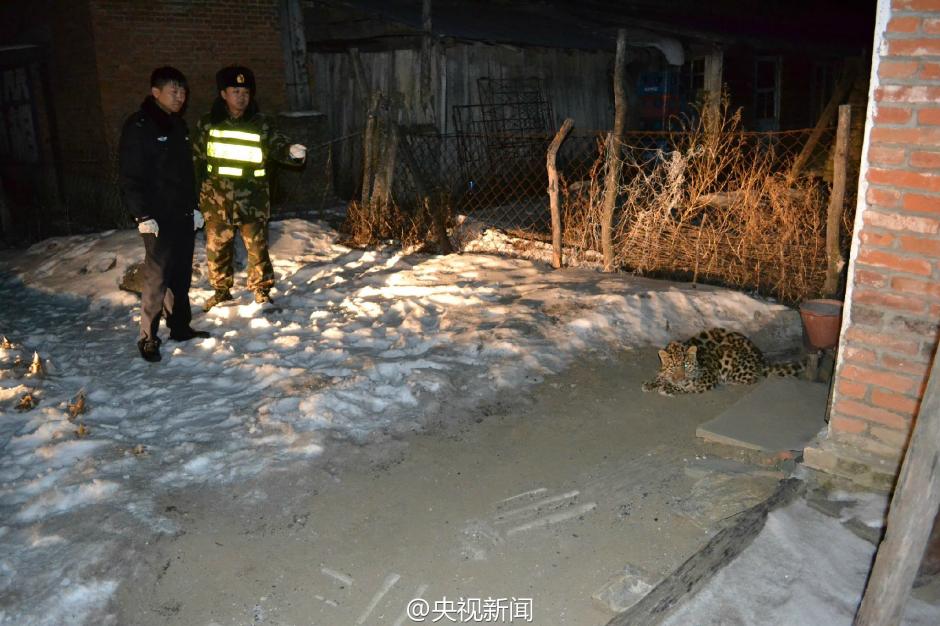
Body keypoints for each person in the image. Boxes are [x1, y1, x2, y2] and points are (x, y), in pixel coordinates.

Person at [193, 65, 306, 311]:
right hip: (216, 200)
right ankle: (221, 292)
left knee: (257, 249)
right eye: (235, 91)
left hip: (252, 199)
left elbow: (278, 146)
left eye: (245, 91)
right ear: (223, 94)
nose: (241, 96)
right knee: (217, 249)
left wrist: (292, 153)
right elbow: (195, 160)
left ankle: (262, 291)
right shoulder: (207, 124)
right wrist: (193, 201)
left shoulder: (262, 124)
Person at [118, 66, 210, 363]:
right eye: (174, 91)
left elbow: (187, 173)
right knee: (157, 278)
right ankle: (148, 337)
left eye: (183, 91)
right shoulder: (140, 127)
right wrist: (141, 215)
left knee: (181, 275)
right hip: (156, 217)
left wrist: (195, 206)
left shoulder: (178, 126)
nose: (180, 96)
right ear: (155, 92)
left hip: (182, 212)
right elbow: (130, 175)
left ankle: (180, 326)